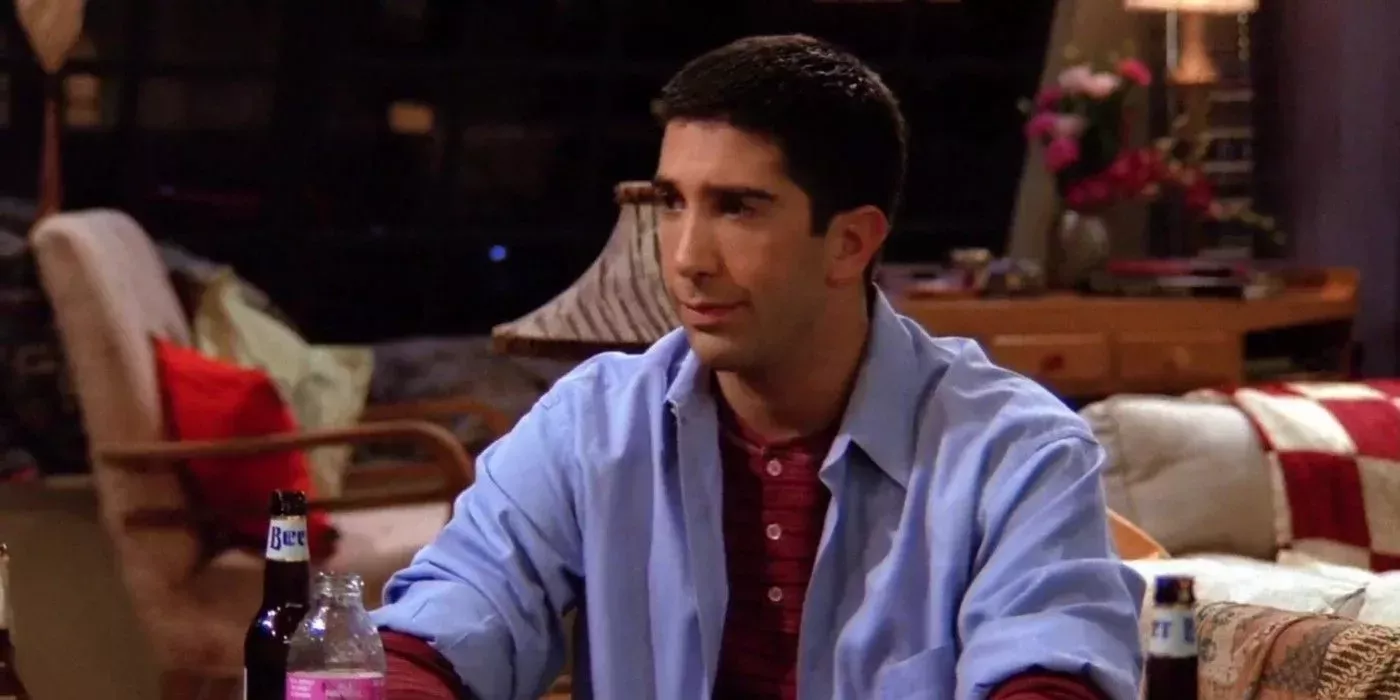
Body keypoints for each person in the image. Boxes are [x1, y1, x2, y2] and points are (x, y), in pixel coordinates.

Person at [372, 34, 1145, 700]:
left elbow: (1051, 666)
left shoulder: (1014, 451)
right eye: (673, 203)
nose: (686, 259)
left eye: (737, 207)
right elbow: (446, 624)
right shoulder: (594, 425)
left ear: (849, 243)